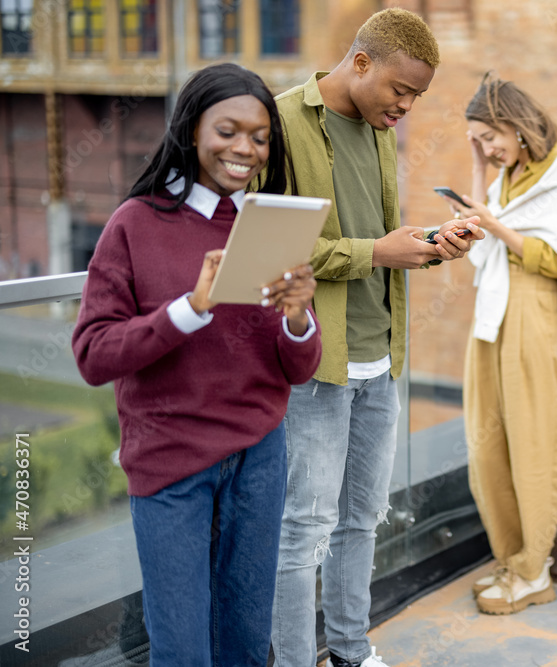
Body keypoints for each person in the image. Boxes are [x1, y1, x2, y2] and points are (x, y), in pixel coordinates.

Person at [72, 63, 321, 665]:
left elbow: (297, 369)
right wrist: (190, 308)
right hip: (171, 464)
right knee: (182, 648)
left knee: (244, 639)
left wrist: (297, 317)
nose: (245, 149)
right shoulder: (134, 224)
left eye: (260, 136)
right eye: (228, 131)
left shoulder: (268, 223)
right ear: (190, 131)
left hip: (259, 456)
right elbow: (93, 355)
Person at [269, 9, 482, 667]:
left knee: (362, 520)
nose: (407, 107)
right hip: (315, 361)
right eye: (401, 90)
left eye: (417, 97)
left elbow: (375, 236)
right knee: (303, 531)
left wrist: (426, 243)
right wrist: (376, 253)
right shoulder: (280, 122)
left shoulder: (381, 133)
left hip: (381, 359)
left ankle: (352, 651)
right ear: (360, 62)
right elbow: (275, 252)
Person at [443, 72, 557, 614]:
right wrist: (480, 169)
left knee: (533, 439)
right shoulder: (505, 176)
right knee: (488, 441)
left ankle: (535, 570)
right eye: (478, 141)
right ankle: (511, 558)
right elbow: (483, 229)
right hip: (493, 313)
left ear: (514, 123)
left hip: (533, 311)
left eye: (490, 137)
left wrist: (496, 226)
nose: (488, 148)